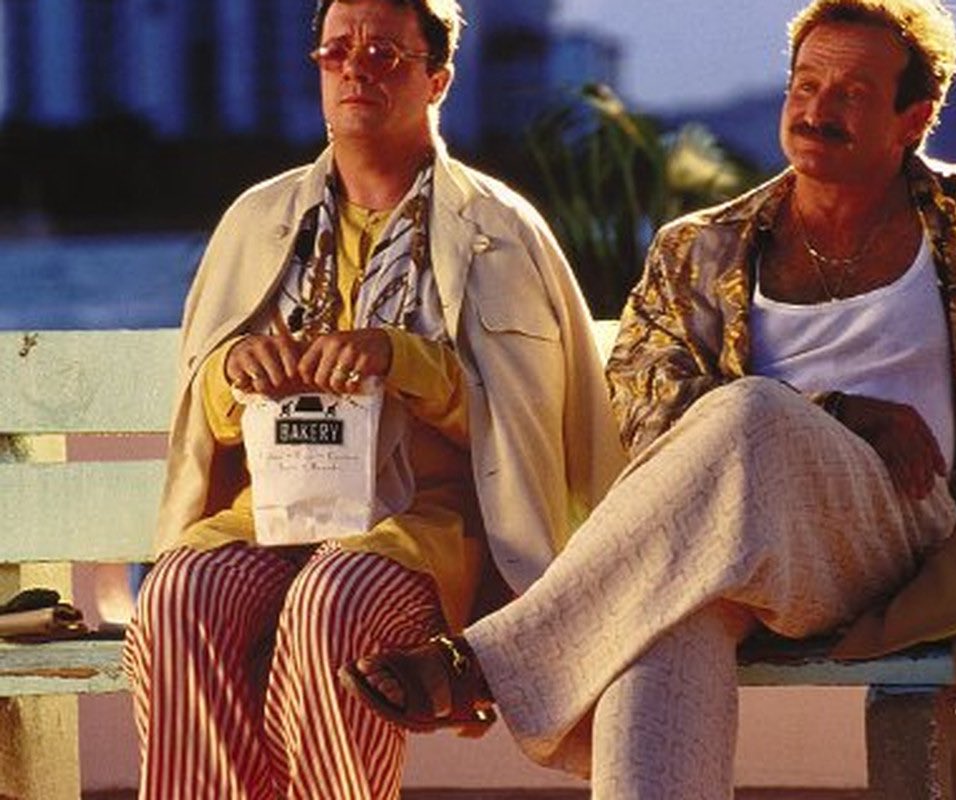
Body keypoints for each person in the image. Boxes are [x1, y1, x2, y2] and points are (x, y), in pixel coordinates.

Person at [343, 0, 956, 797]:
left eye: (852, 92)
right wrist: (836, 409)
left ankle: (485, 664)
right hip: (740, 543)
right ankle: (505, 666)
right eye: (807, 83)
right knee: (666, 627)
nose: (818, 108)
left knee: (752, 412)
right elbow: (652, 427)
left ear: (914, 118)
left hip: (904, 540)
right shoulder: (698, 249)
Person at [121, 0, 625, 796]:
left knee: (333, 600)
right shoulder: (258, 220)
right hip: (272, 518)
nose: (356, 68)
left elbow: (526, 430)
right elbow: (205, 413)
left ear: (438, 80)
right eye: (337, 51)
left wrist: (402, 360)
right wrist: (235, 371)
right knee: (181, 594)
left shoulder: (498, 229)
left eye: (385, 53)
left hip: (426, 535)